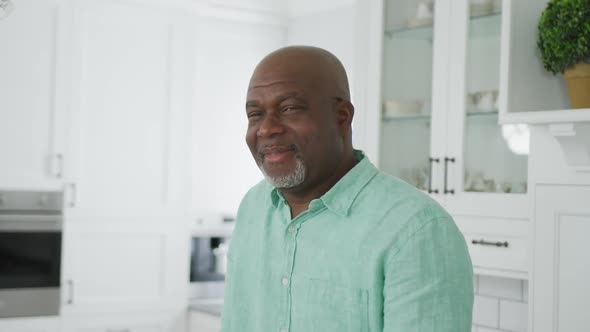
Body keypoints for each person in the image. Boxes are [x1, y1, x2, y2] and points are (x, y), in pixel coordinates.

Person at [220, 46, 473, 332]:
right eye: (255, 114)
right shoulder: (253, 207)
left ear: (341, 117)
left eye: (289, 108)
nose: (266, 129)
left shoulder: (416, 229)